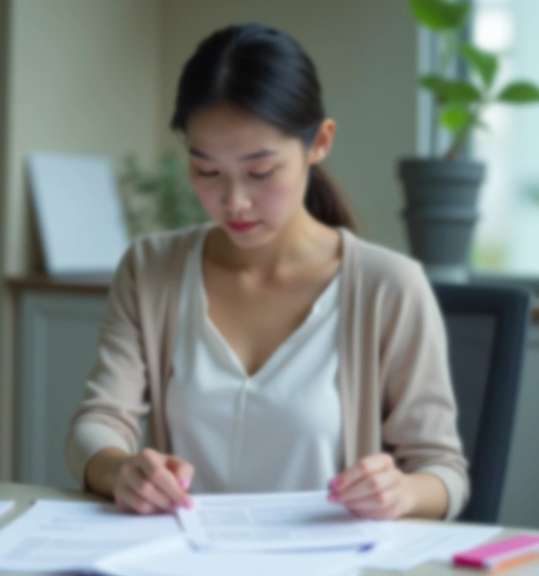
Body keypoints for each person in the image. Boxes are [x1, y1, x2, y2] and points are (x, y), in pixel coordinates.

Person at [65, 23, 468, 521]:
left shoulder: (390, 287)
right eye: (207, 172)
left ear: (319, 142)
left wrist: (402, 492)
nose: (234, 202)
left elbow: (443, 470)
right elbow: (99, 422)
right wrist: (120, 469)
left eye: (260, 172)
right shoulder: (152, 270)